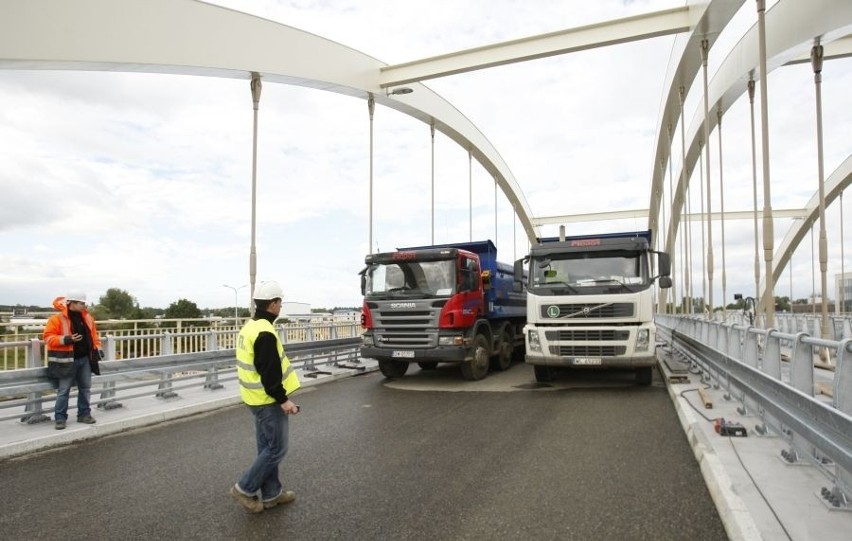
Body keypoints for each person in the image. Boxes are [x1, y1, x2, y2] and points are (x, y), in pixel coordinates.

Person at [230, 280, 301, 513]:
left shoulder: (249, 327)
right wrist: (284, 401)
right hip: (267, 401)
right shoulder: (265, 333)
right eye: (280, 302)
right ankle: (244, 488)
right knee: (277, 449)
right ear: (272, 304)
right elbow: (270, 374)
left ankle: (272, 494)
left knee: (266, 449)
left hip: (253, 399)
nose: (281, 307)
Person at [43, 292, 103, 430]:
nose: (84, 305)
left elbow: (94, 336)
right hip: (66, 360)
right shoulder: (57, 319)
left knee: (85, 388)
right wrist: (67, 339)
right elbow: (47, 337)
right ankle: (60, 418)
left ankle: (84, 414)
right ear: (72, 303)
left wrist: (98, 348)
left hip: (84, 359)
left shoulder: (87, 318)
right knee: (64, 390)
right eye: (82, 303)